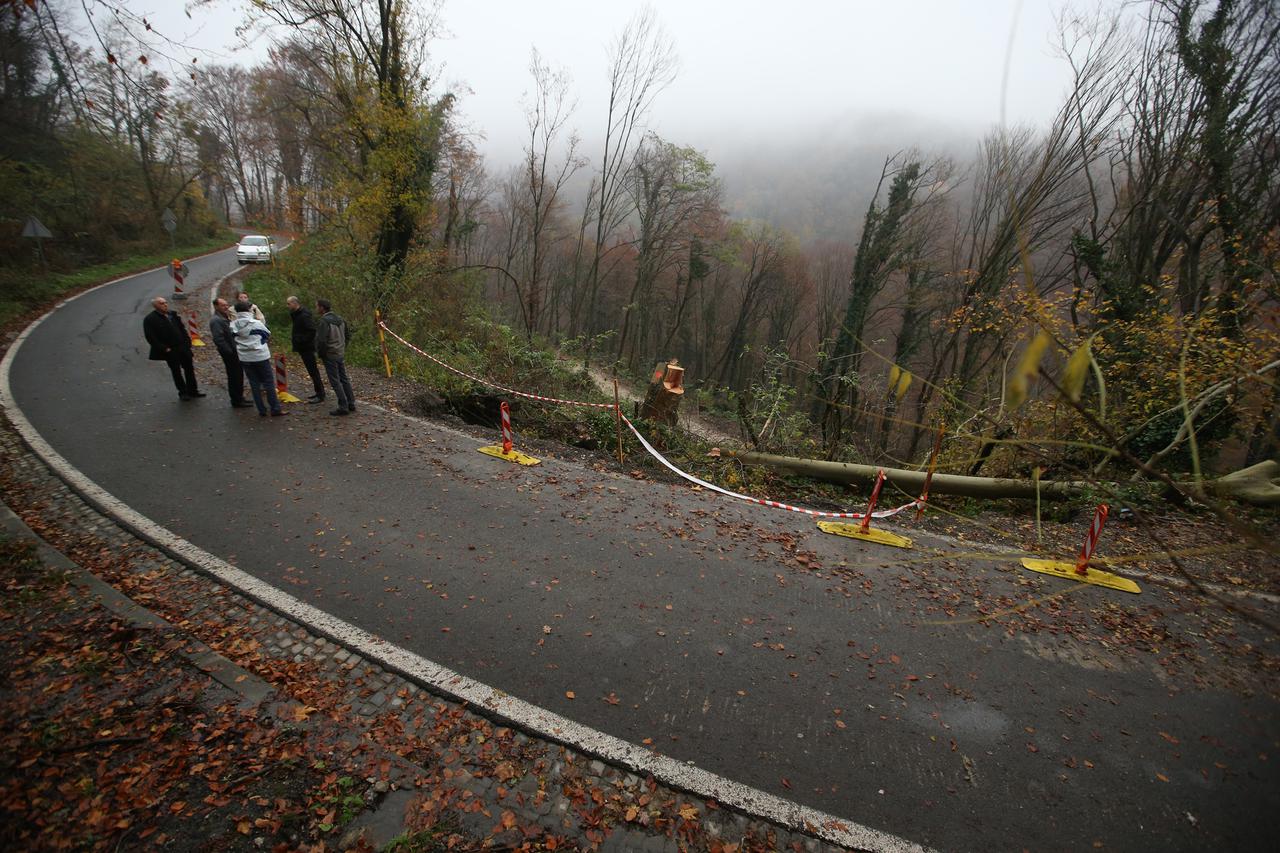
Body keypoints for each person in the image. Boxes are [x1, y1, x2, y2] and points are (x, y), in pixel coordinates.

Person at [230, 300, 287, 417]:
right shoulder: (256, 323)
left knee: (254, 383)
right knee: (268, 383)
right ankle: (275, 408)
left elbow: (233, 338)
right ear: (248, 310)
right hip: (260, 356)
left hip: (244, 357)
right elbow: (267, 334)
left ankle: (261, 410)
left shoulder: (233, 325)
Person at [142, 296, 205, 401]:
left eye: (165, 302)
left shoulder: (172, 314)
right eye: (162, 303)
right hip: (170, 349)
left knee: (189, 368)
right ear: (155, 306)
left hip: (183, 346)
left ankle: (193, 390)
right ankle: (183, 392)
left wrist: (187, 342)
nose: (165, 305)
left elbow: (182, 328)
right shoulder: (150, 319)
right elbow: (151, 337)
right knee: (176, 371)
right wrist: (164, 348)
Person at [314, 298, 355, 416]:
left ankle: (343, 406)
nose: (316, 308)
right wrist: (342, 347)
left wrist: (321, 354)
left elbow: (321, 340)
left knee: (335, 381)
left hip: (330, 354)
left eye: (317, 306)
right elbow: (347, 335)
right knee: (344, 378)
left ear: (322, 308)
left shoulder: (324, 321)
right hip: (340, 353)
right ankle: (351, 402)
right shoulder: (341, 319)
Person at [210, 298, 252, 408]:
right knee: (234, 376)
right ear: (216, 306)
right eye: (223, 305)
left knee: (238, 375)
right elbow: (219, 339)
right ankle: (237, 400)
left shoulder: (225, 317)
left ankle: (239, 397)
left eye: (227, 305)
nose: (226, 307)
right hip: (230, 353)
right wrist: (229, 351)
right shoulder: (216, 320)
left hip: (234, 351)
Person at [286, 295, 325, 403]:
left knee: (313, 371)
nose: (288, 306)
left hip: (307, 347)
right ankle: (319, 392)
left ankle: (320, 394)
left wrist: (301, 340)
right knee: (311, 371)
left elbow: (312, 330)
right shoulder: (296, 315)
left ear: (295, 303)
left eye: (289, 304)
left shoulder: (304, 315)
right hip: (303, 347)